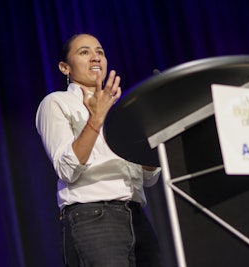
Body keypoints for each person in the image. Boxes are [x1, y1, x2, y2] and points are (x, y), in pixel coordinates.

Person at [36, 33, 162, 267]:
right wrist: (95, 118)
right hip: (93, 217)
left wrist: (153, 133)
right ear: (65, 67)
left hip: (136, 216)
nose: (95, 58)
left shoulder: (122, 108)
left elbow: (148, 176)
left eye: (100, 52)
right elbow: (66, 169)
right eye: (84, 52)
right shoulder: (57, 102)